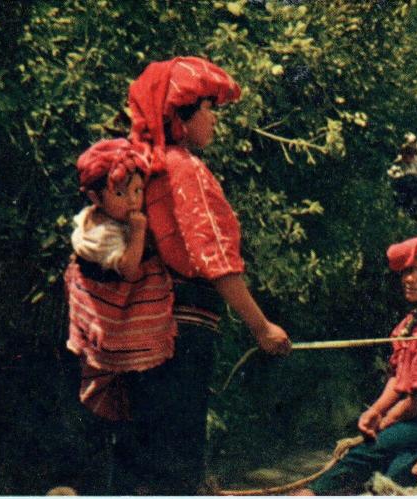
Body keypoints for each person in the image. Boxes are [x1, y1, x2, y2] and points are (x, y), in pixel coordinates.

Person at [127, 56, 292, 494]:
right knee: (179, 450)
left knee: (147, 447)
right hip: (184, 328)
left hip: (145, 325)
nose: (214, 118)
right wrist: (262, 327)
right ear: (181, 116)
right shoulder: (185, 169)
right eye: (207, 107)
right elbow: (215, 260)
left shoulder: (146, 166)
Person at [291, 233, 417, 495]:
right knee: (387, 467)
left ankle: (311, 495)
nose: (410, 279)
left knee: (362, 456)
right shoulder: (416, 319)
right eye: (408, 271)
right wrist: (376, 411)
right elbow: (400, 379)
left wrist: (384, 422)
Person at [63, 138, 177, 492]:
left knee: (132, 420)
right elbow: (128, 272)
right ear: (95, 199)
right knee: (127, 419)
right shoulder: (99, 234)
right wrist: (141, 232)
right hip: (115, 329)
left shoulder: (116, 218)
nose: (133, 201)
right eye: (122, 194)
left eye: (138, 191)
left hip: (126, 338)